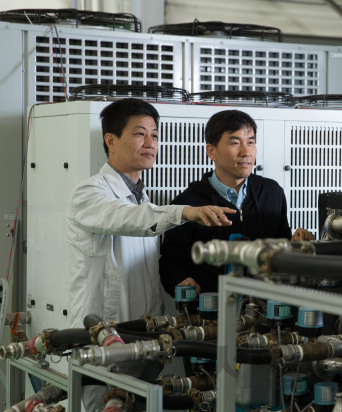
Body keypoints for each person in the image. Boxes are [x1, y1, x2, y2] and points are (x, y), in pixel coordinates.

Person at [65, 98, 235, 412]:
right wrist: (185, 211)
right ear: (111, 140)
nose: (150, 143)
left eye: (155, 135)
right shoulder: (90, 192)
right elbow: (126, 218)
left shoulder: (143, 197)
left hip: (146, 339)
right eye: (140, 134)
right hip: (105, 340)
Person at [159, 109, 314, 297]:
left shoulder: (272, 192)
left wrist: (294, 244)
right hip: (211, 314)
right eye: (235, 143)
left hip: (265, 309)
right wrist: (179, 281)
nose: (246, 152)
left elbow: (280, 241)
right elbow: (171, 262)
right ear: (211, 151)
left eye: (251, 142)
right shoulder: (188, 203)